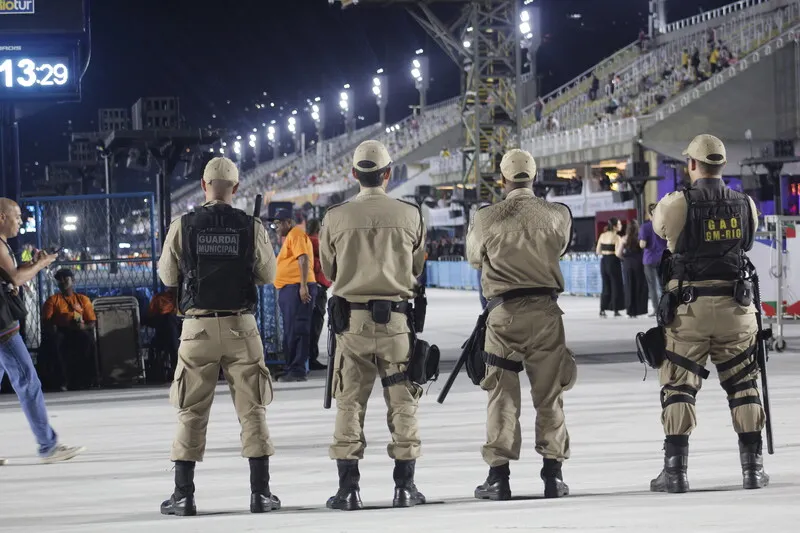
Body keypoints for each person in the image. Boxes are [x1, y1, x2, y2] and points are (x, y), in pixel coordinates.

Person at [157, 157, 281, 516]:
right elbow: (267, 275)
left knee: (191, 412)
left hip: (197, 329)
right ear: (236, 188)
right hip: (241, 327)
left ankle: (184, 495)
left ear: (203, 185)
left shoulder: (184, 224)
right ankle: (260, 494)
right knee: (253, 410)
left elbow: (167, 276)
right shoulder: (250, 225)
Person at [650, 134, 768, 493]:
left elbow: (661, 232)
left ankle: (675, 472)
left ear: (692, 165)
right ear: (723, 165)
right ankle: (752, 470)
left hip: (690, 309)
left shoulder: (675, 204)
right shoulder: (745, 203)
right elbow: (746, 243)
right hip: (736, 307)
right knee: (744, 384)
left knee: (679, 386)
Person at [320, 140, 427, 511]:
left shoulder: (335, 216)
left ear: (354, 174)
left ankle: (348, 491)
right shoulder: (411, 214)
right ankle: (404, 488)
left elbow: (329, 271)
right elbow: (416, 269)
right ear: (388, 173)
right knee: (403, 403)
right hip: (396, 324)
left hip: (353, 325)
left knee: (349, 403)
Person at [466, 149, 577, 500]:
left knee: (501, 395)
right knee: (550, 395)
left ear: (503, 179)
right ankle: (553, 476)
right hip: (546, 314)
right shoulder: (558, 214)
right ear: (534, 176)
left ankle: (498, 478)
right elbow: (560, 249)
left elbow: (473, 258)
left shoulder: (487, 218)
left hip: (504, 315)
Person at [0, 197, 85, 465]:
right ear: (2, 217)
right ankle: (48, 445)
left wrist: (38, 263)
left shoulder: (4, 244)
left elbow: (12, 274)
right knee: (28, 381)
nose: (20, 221)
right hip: (3, 328)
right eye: (16, 216)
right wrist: (39, 265)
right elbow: (15, 278)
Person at [270, 209, 318, 382]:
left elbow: (303, 259)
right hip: (291, 288)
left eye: (278, 223)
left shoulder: (296, 234)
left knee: (298, 329)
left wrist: (303, 286)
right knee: (291, 330)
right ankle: (291, 366)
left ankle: (297, 369)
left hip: (297, 288)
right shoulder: (290, 236)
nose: (275, 227)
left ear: (288, 222)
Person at [41, 268, 98, 390]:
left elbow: (91, 322)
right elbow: (47, 321)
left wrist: (83, 326)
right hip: (61, 330)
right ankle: (62, 380)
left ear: (73, 281)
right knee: (56, 341)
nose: (63, 283)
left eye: (65, 279)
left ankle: (87, 379)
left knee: (87, 340)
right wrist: (55, 326)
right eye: (60, 281)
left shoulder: (82, 299)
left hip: (78, 329)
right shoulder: (53, 300)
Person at [306, 218, 329, 371]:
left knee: (312, 323)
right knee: (316, 323)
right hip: (318, 287)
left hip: (314, 286)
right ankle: (312, 357)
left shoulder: (307, 241)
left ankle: (309, 356)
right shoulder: (315, 242)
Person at [639, 203, 667, 316]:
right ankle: (666, 308)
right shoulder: (664, 225)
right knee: (663, 285)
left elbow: (642, 244)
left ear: (649, 213)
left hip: (649, 259)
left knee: (652, 286)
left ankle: (656, 310)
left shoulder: (645, 227)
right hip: (663, 257)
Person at [596, 218, 624, 317]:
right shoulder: (617, 237)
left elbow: (598, 251)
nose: (621, 226)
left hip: (604, 262)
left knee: (605, 286)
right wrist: (623, 257)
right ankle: (616, 309)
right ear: (615, 226)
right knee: (616, 285)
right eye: (619, 224)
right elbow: (617, 253)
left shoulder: (602, 235)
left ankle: (602, 309)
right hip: (613, 262)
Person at [620, 221, 649, 318]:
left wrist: (625, 259)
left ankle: (630, 311)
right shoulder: (639, 238)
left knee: (629, 287)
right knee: (639, 286)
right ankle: (639, 310)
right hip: (639, 264)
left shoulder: (624, 239)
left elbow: (618, 253)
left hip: (627, 264)